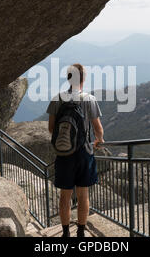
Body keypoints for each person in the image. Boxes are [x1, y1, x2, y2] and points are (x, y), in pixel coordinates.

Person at [47, 63, 104, 237]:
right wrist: (99, 140)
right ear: (83, 79)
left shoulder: (58, 98)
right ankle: (80, 231)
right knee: (82, 194)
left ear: (69, 78)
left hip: (64, 154)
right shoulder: (89, 99)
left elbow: (51, 128)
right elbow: (98, 129)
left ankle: (65, 233)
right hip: (84, 153)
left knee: (65, 196)